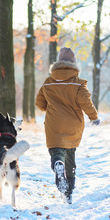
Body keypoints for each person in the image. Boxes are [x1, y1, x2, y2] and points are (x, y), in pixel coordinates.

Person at [35, 47, 100, 204]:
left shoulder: (48, 83)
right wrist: (94, 117)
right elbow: (86, 102)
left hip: (53, 124)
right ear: (73, 64)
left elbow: (39, 103)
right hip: (73, 125)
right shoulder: (78, 84)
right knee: (70, 156)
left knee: (57, 151)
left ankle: (58, 163)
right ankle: (68, 193)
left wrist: (49, 108)